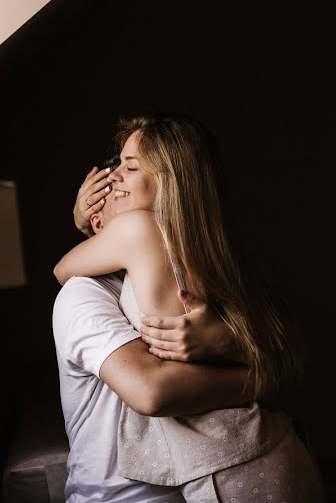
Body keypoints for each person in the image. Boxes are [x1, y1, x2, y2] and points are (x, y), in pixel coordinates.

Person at [55, 113, 323, 501]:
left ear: (169, 182)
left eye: (129, 169)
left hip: (229, 465)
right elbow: (289, 360)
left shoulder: (139, 229)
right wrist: (257, 375)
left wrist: (86, 223)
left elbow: (62, 268)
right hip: (268, 447)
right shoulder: (215, 254)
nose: (110, 180)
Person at [52, 176, 256, 501]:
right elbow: (152, 392)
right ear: (96, 224)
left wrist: (229, 341)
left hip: (207, 483)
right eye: (112, 188)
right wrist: (259, 379)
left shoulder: (190, 281)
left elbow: (288, 353)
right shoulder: (83, 294)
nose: (122, 183)